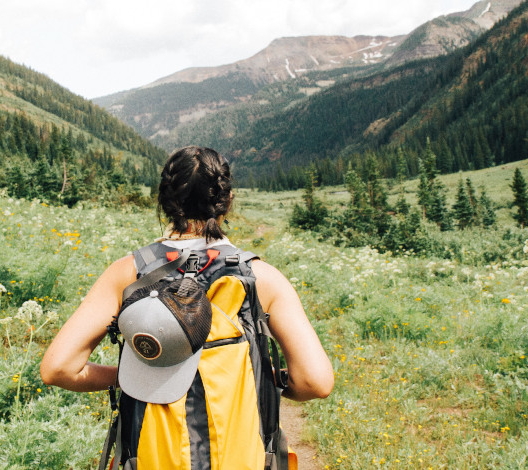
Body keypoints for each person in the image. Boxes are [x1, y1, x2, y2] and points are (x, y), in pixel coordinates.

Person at [40, 145, 333, 467]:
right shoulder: (261, 277)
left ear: (164, 200)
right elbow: (315, 382)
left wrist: (126, 376)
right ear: (227, 200)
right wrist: (265, 380)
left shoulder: (127, 273)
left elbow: (58, 369)